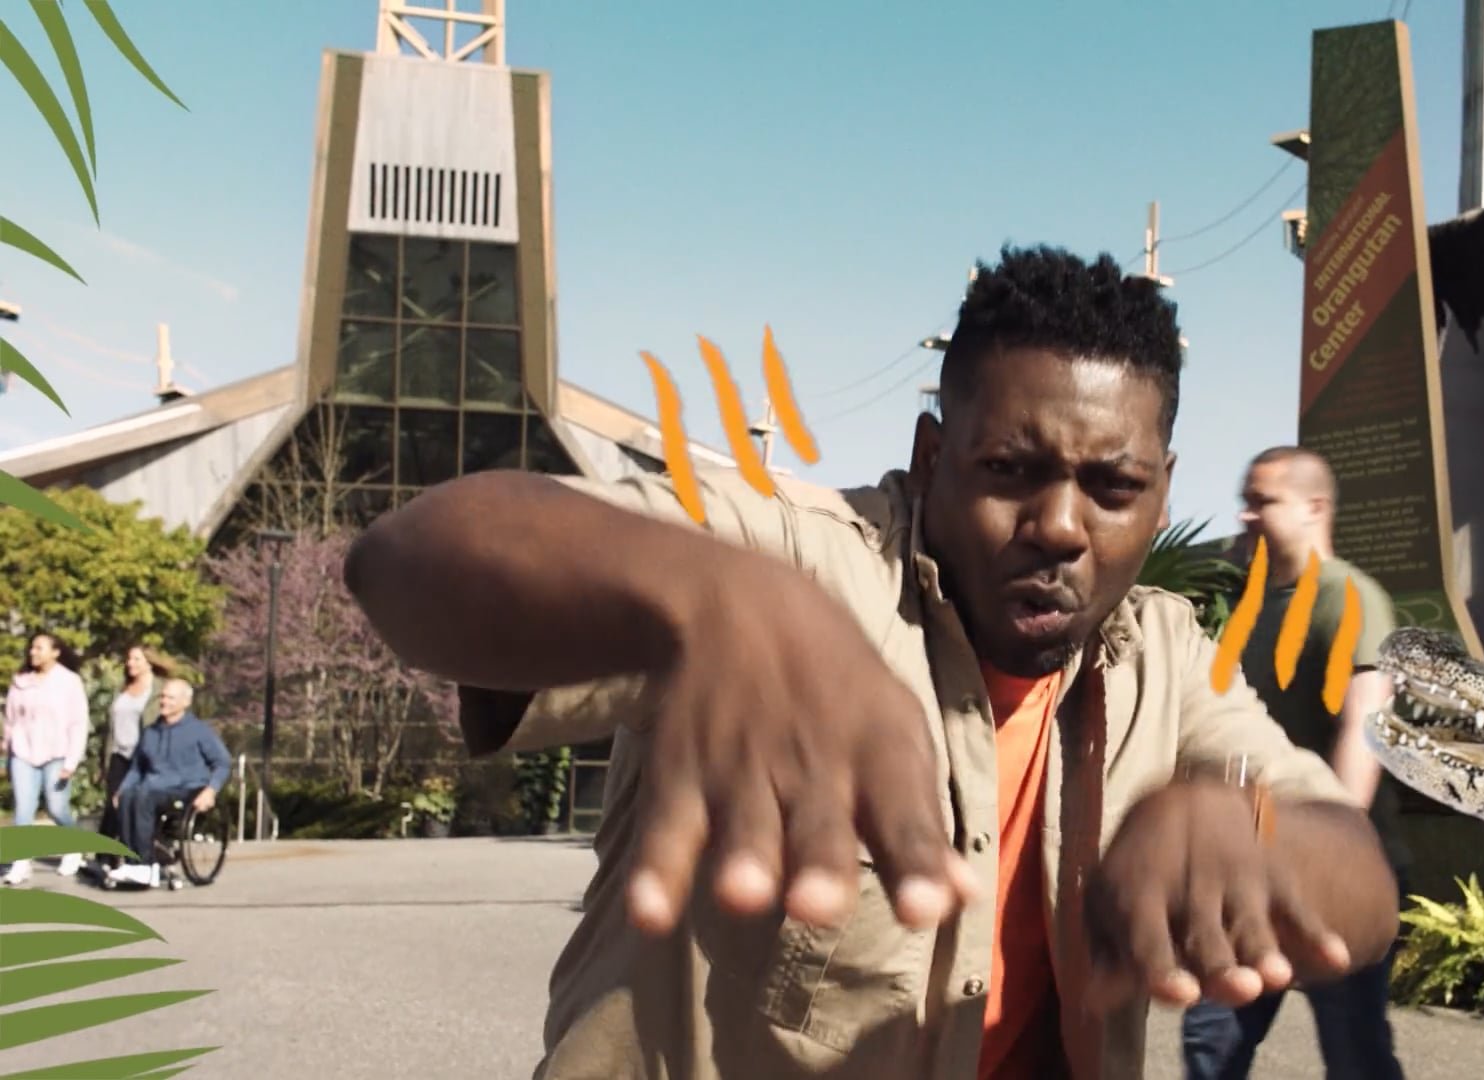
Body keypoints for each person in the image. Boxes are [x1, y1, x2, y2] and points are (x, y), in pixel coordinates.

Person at [345, 244, 1403, 1080]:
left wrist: (1257, 839)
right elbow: (408, 560)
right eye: (1009, 469)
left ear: (1161, 495)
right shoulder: (791, 561)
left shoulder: (1160, 654)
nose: (1059, 525)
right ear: (933, 458)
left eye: (1112, 488)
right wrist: (703, 592)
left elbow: (1356, 878)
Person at [1181, 447, 1408, 1080]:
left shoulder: (1348, 596)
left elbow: (1365, 725)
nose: (1246, 514)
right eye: (1246, 501)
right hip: (1252, 867)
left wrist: (1328, 845)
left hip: (1337, 872)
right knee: (1211, 1038)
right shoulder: (1255, 607)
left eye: (1263, 501)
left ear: (1314, 508)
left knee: (1354, 1052)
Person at [104, 678, 232, 889]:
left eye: (171, 698)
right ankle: (132, 861)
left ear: (185, 702)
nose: (164, 701)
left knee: (143, 796)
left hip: (187, 788)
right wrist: (123, 789)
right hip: (153, 786)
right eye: (163, 697)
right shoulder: (150, 732)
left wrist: (211, 790)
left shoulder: (200, 731)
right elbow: (137, 767)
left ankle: (143, 864)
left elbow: (222, 763)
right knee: (128, 796)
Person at [3, 631, 91, 885]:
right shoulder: (21, 680)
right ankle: (21, 862)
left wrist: (71, 761)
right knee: (24, 808)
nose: (33, 652)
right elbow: (10, 718)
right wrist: (7, 748)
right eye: (32, 647)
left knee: (56, 807)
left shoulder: (69, 681)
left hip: (56, 753)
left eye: (39, 648)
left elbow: (78, 723)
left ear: (55, 652)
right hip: (23, 753)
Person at [95, 645, 165, 870]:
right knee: (113, 806)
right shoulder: (122, 689)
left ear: (149, 662)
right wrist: (103, 761)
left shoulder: (159, 690)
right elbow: (109, 727)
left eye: (136, 659)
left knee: (137, 806)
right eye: (129, 659)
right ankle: (105, 857)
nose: (130, 663)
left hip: (144, 757)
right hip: (119, 754)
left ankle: (142, 854)